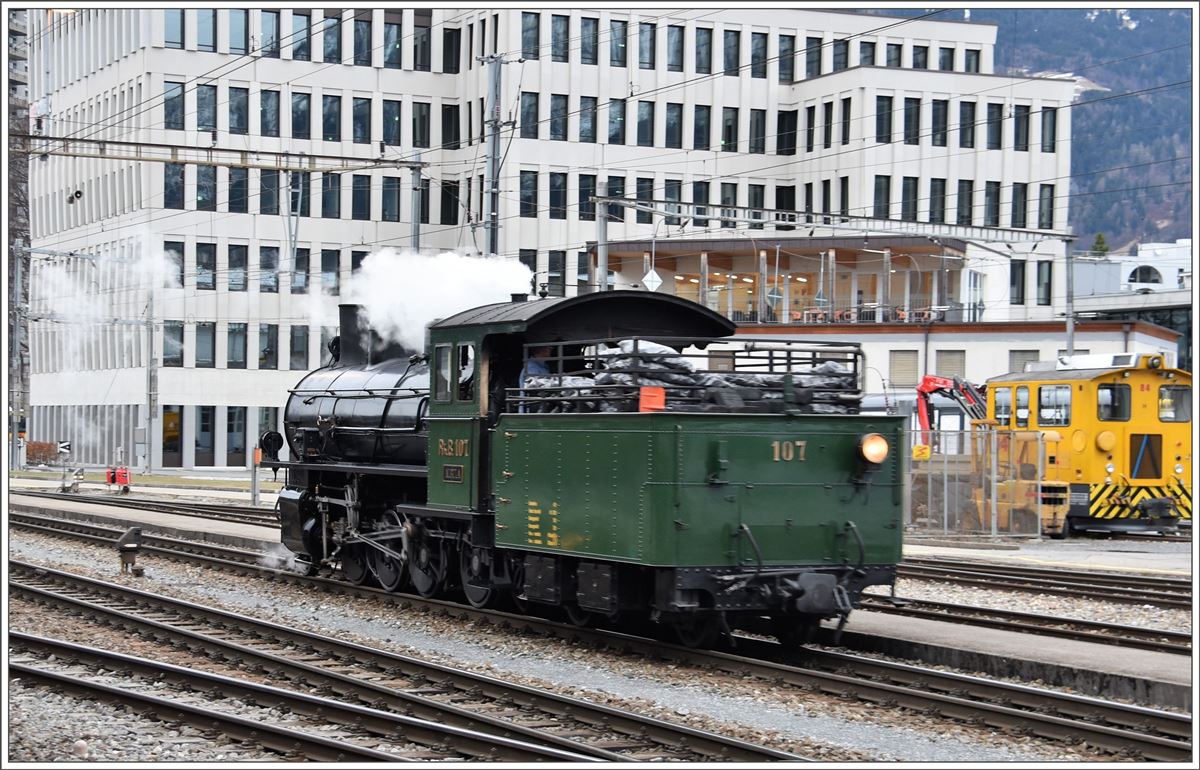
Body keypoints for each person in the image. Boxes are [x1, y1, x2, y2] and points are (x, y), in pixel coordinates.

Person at [518, 346, 553, 412]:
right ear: (541, 350)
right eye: (548, 349)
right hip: (533, 406)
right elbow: (535, 386)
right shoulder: (531, 367)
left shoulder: (544, 366)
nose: (550, 351)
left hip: (541, 403)